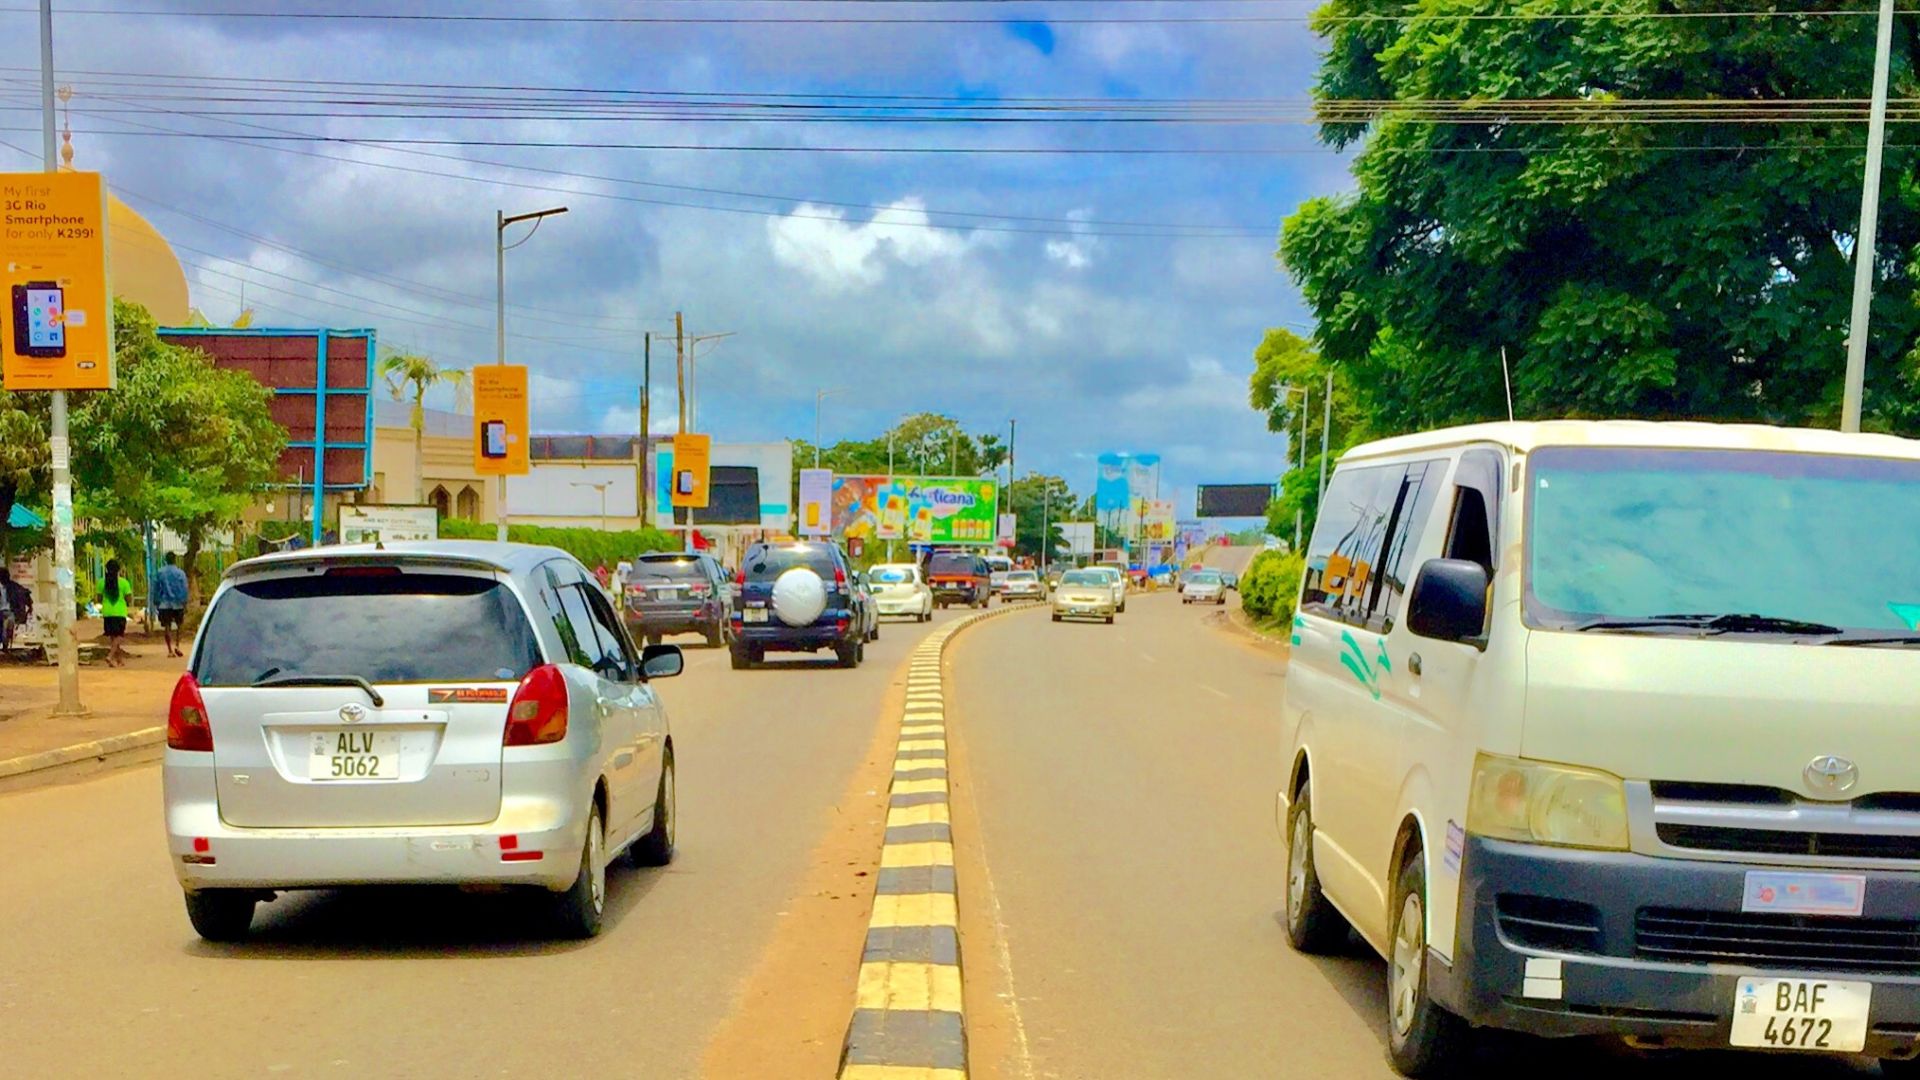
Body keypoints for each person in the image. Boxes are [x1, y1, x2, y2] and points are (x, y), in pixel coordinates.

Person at [151, 552, 190, 658]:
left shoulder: (160, 572)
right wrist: (185, 601)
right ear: (175, 560)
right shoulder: (180, 573)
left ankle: (170, 650)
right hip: (178, 603)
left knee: (167, 626)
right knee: (179, 625)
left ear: (165, 560)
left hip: (164, 603)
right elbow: (184, 588)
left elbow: (156, 587)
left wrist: (156, 600)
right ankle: (178, 645)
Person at [99, 558, 131, 667]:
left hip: (107, 612)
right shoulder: (124, 583)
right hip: (120, 612)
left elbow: (98, 597)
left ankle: (119, 659)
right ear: (119, 570)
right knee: (119, 636)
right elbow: (128, 598)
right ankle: (110, 655)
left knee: (113, 637)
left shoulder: (101, 582)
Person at [1, 563, 30, 651]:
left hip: (9, 611)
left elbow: (25, 593)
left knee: (9, 622)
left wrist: (29, 605)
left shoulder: (13, 586)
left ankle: (5, 645)